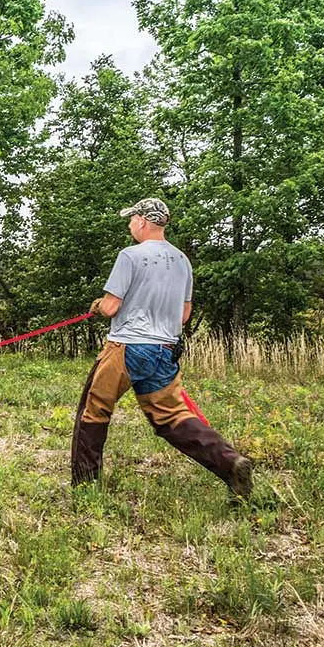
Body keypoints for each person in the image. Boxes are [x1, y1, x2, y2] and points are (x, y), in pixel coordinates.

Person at [70, 197, 253, 499]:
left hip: (126, 348)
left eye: (131, 219)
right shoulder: (182, 261)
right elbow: (184, 315)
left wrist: (99, 306)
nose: (130, 225)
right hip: (164, 350)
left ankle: (85, 486)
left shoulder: (130, 256)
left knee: (93, 410)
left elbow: (112, 306)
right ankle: (230, 462)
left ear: (142, 221)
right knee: (173, 418)